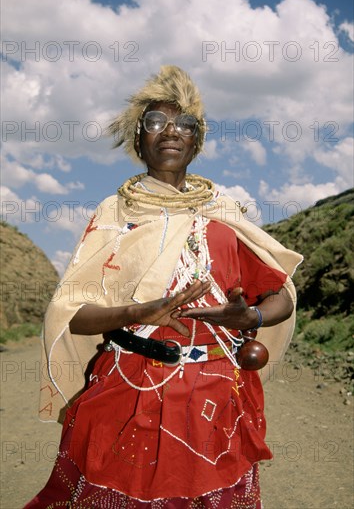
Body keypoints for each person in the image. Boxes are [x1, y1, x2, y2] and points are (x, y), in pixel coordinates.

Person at [25, 65, 302, 508]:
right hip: (127, 389)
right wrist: (134, 313)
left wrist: (248, 316)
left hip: (215, 395)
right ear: (139, 138)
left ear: (198, 140)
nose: (171, 132)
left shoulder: (223, 215)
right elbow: (71, 314)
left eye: (185, 124)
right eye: (156, 122)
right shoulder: (115, 214)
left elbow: (281, 295)